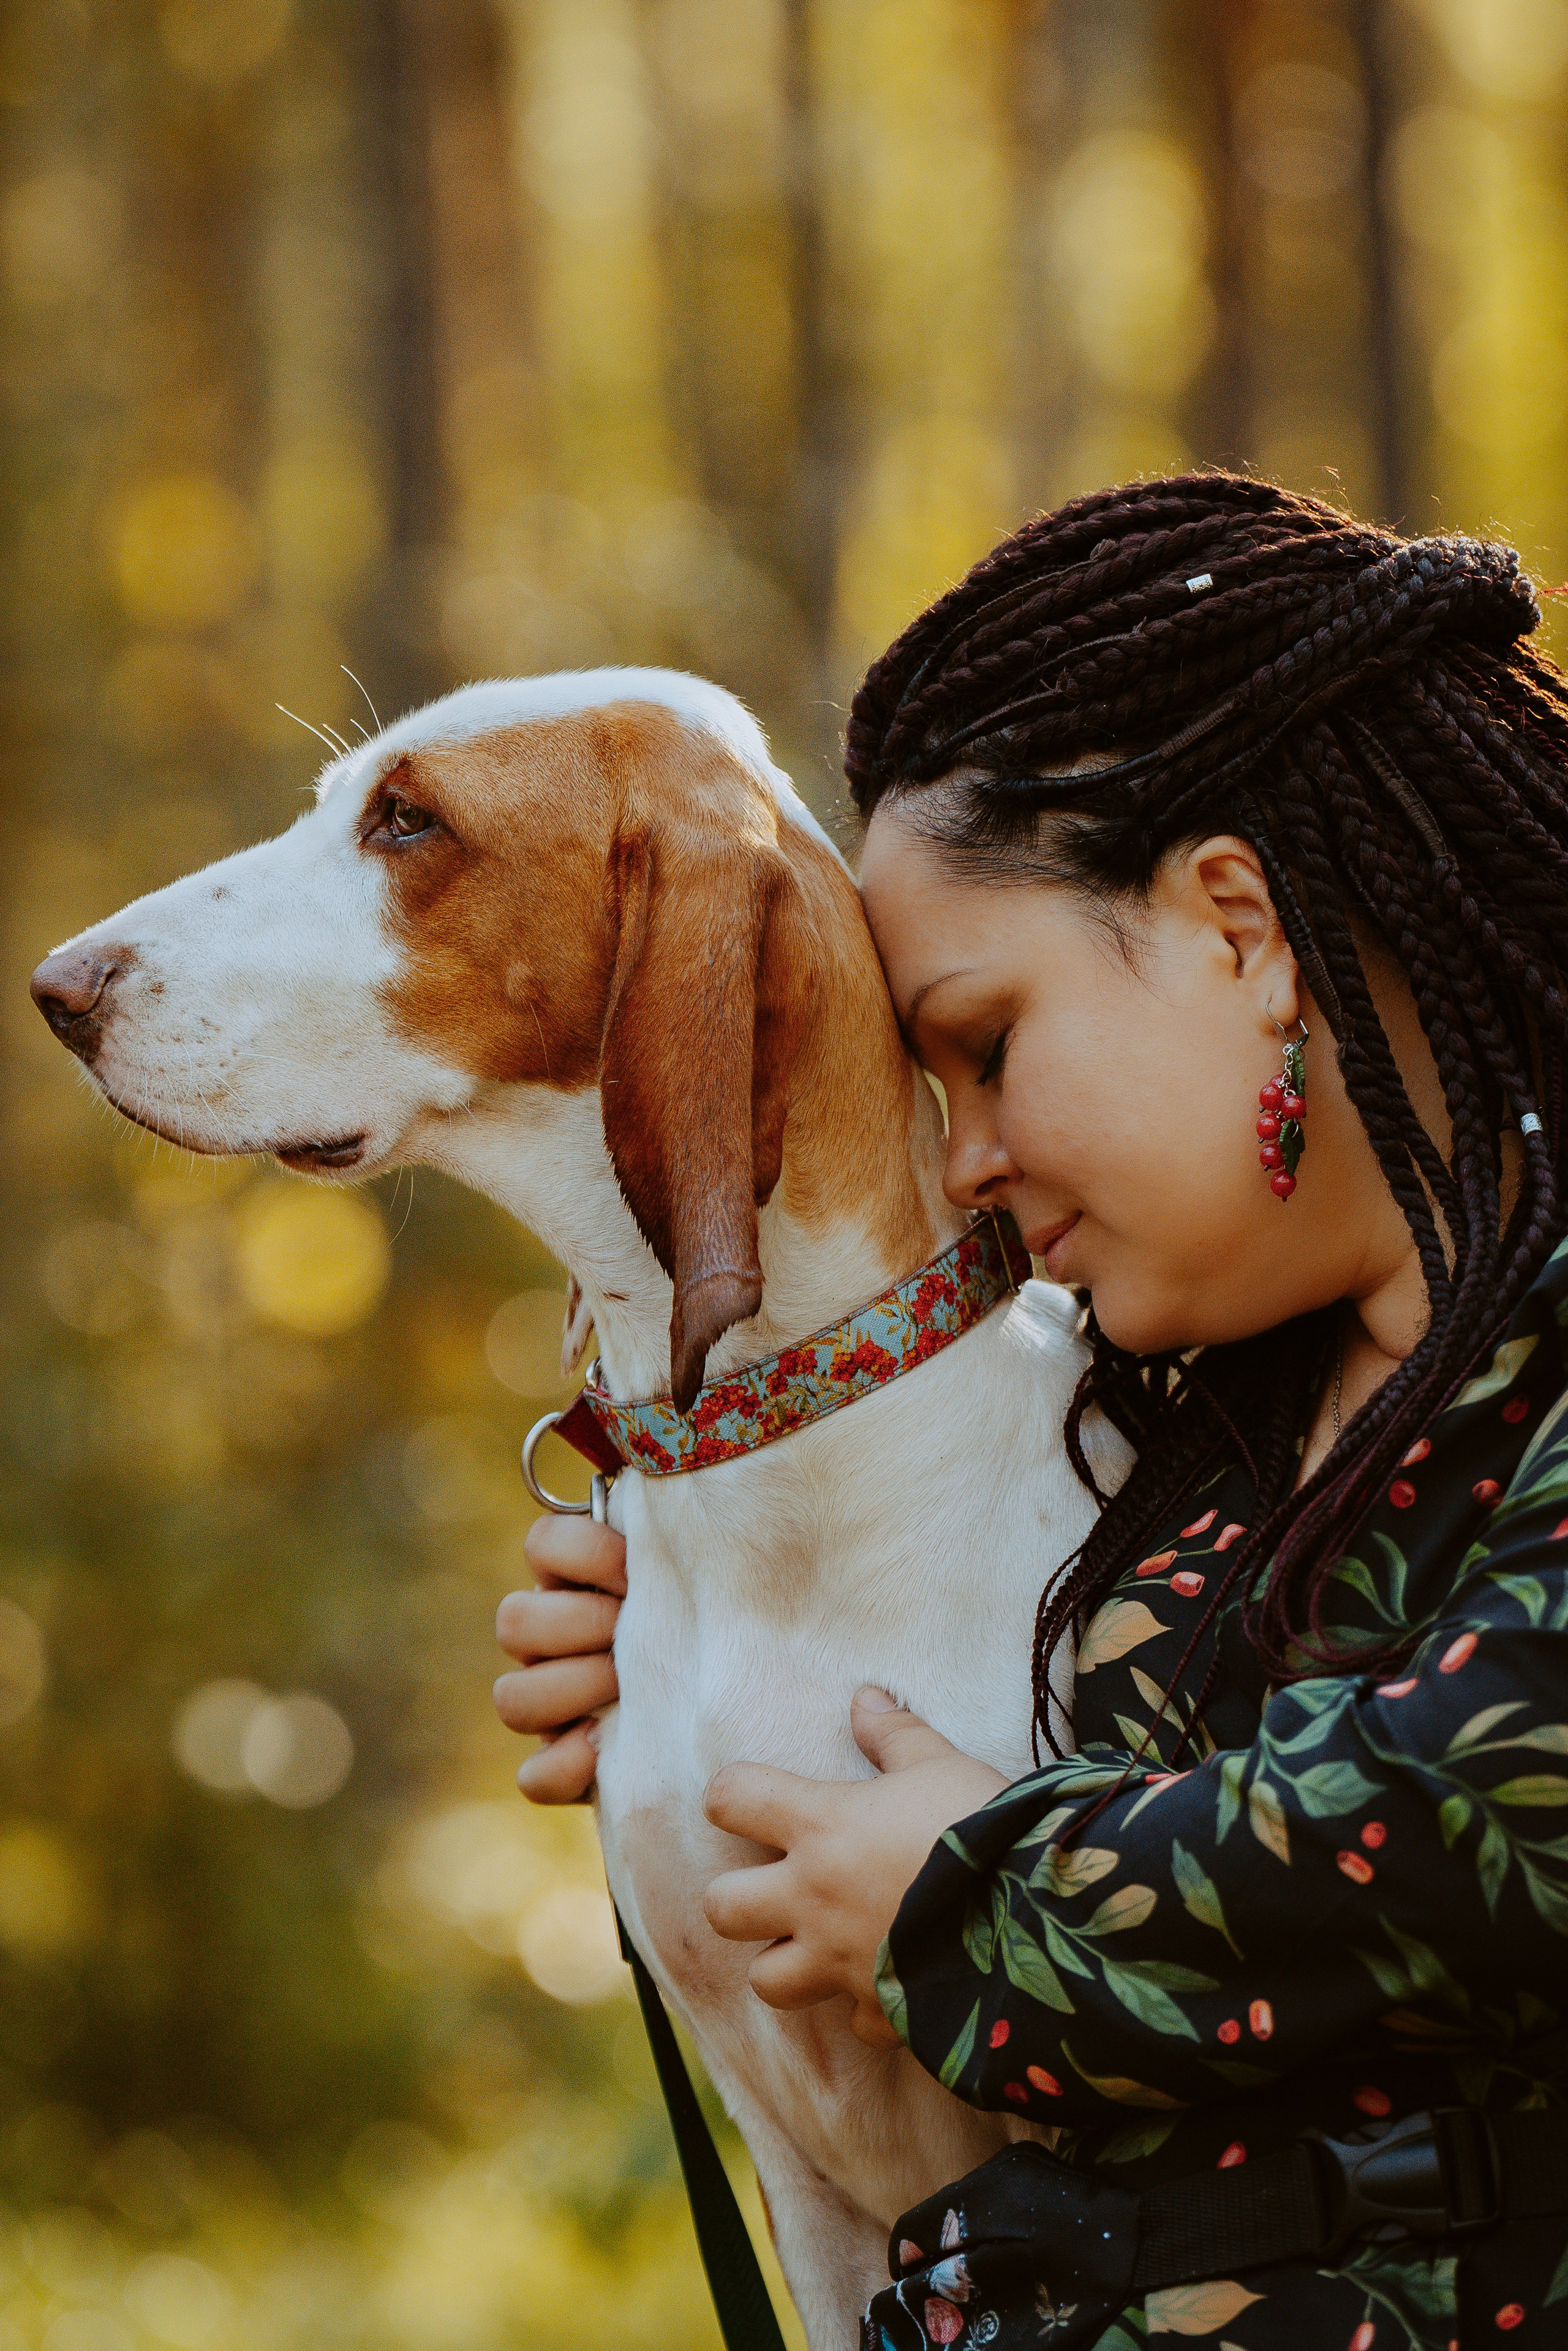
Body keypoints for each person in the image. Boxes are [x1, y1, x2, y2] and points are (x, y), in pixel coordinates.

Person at [493, 472, 1568, 2349]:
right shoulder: (1188, 1437)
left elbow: (1501, 1804)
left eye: (986, 1049)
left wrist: (970, 1906)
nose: (965, 1159)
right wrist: (712, 1624)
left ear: (1239, 930)